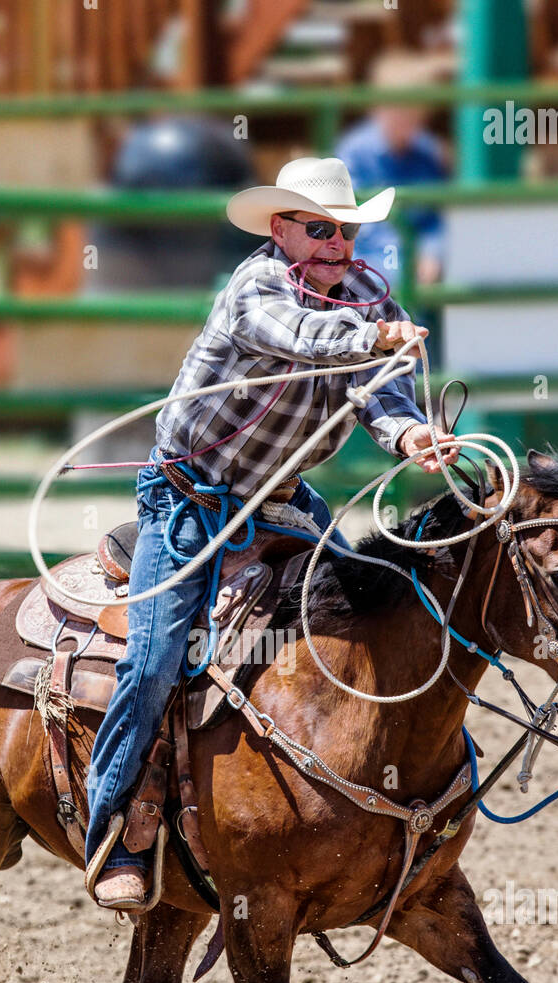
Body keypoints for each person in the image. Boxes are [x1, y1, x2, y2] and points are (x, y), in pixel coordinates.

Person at [86, 156, 459, 911]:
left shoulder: (359, 300)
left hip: (281, 496)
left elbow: (379, 396)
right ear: (280, 229)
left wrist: (412, 435)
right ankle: (115, 828)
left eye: (346, 230)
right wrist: (374, 337)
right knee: (157, 656)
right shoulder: (256, 287)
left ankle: (370, 797)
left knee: (374, 618)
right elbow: (302, 338)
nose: (337, 243)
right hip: (189, 500)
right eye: (320, 229)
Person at [335, 49, 452, 288]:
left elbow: (435, 220)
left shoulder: (427, 152)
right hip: (365, 265)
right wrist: (407, 260)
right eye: (398, 110)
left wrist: (432, 253)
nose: (406, 120)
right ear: (378, 107)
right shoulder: (354, 153)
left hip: (417, 269)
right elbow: (354, 226)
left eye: (414, 112)